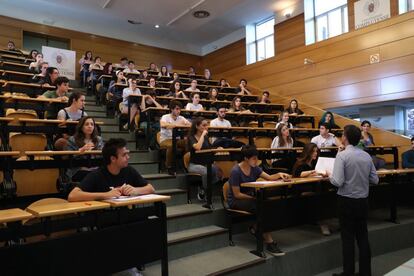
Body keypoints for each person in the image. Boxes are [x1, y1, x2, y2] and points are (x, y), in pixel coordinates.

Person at [329, 124, 379, 276]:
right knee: (363, 237)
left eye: (342, 135)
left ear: (345, 138)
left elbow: (337, 182)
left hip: (346, 201)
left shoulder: (342, 156)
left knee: (348, 239)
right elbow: (375, 180)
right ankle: (365, 272)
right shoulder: (366, 156)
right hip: (363, 201)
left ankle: (348, 272)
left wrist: (329, 176)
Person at [228, 145, 290, 255]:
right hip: (237, 201)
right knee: (261, 207)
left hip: (251, 198)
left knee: (267, 204)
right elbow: (237, 194)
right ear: (246, 158)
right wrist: (254, 197)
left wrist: (280, 174)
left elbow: (270, 178)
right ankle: (269, 242)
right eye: (254, 158)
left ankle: (256, 228)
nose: (257, 161)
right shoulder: (236, 171)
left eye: (257, 158)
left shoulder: (254, 168)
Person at [68, 138, 155, 201]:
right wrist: (106, 195)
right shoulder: (97, 175)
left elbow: (151, 188)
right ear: (113, 159)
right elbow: (72, 195)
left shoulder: (129, 170)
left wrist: (136, 190)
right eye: (124, 155)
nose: (128, 157)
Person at [292, 143, 330, 235]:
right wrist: (312, 172)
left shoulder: (314, 163)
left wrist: (321, 174)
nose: (315, 153)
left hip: (313, 186)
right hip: (302, 188)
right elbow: (298, 174)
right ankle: (322, 222)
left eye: (316, 151)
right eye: (313, 152)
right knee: (319, 193)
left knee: (325, 190)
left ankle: (321, 219)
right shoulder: (300, 162)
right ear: (308, 152)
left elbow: (315, 174)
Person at [187, 117, 222, 200]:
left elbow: (210, 149)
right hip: (194, 165)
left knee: (218, 171)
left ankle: (202, 188)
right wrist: (202, 135)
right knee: (206, 172)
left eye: (207, 125)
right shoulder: (191, 137)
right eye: (204, 125)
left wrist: (217, 149)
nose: (206, 127)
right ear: (197, 126)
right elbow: (198, 147)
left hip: (206, 163)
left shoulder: (206, 137)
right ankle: (207, 193)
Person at [66, 116, 104, 182]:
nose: (90, 126)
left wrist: (94, 151)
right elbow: (68, 157)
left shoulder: (98, 139)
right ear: (81, 127)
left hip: (96, 169)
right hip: (79, 170)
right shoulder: (72, 139)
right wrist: (80, 151)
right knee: (92, 177)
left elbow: (102, 155)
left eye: (92, 124)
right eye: (87, 124)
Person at [159, 101, 191, 172]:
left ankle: (186, 163)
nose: (178, 111)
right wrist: (176, 125)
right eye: (177, 109)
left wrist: (184, 125)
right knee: (172, 145)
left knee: (188, 143)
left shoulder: (181, 118)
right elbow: (162, 124)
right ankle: (168, 166)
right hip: (166, 139)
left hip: (177, 139)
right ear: (172, 109)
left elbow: (190, 125)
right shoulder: (165, 117)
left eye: (179, 109)